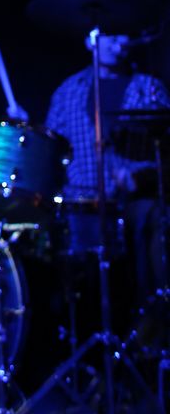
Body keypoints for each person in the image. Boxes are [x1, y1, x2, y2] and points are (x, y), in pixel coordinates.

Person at [45, 32, 170, 305]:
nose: (117, 42)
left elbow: (164, 149)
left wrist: (139, 178)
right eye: (108, 35)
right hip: (84, 204)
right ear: (90, 40)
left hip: (135, 199)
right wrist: (28, 129)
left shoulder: (148, 88)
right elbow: (51, 148)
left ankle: (151, 316)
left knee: (149, 218)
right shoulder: (68, 91)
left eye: (121, 35)